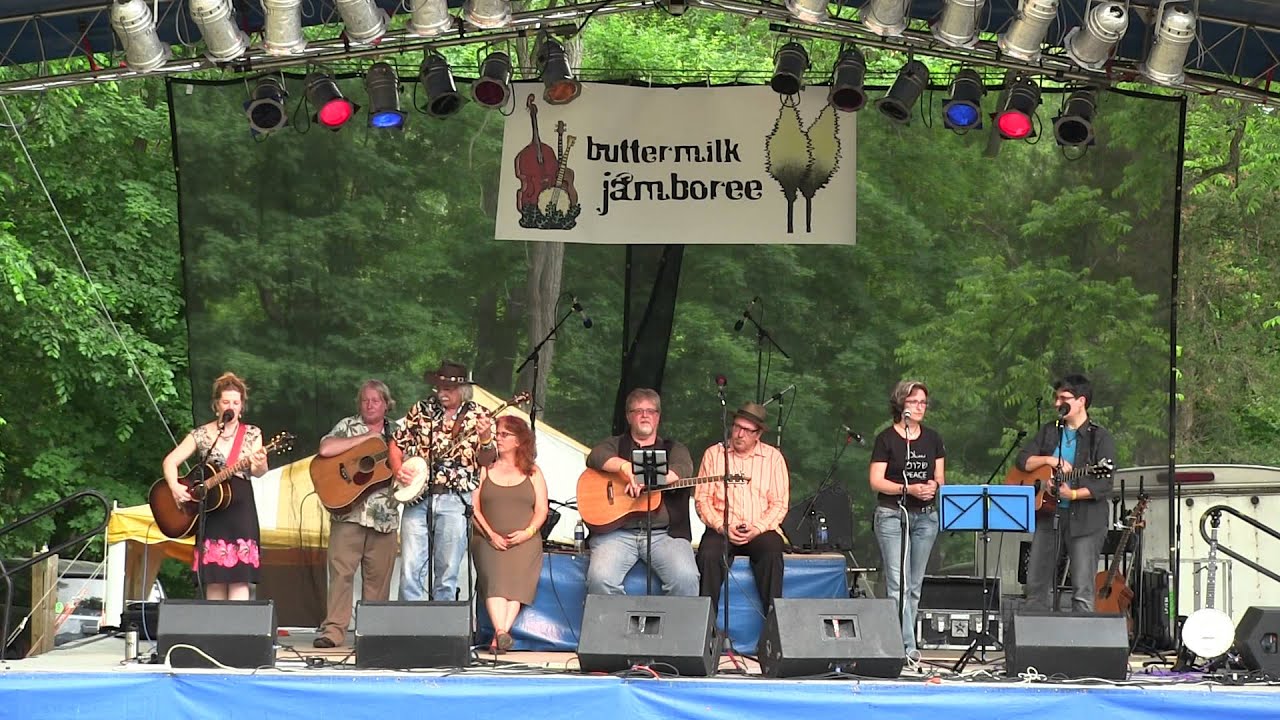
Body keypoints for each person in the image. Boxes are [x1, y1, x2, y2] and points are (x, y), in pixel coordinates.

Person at [391, 361, 495, 602]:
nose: (441, 393)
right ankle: (409, 620)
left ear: (463, 390)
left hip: (455, 500)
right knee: (410, 566)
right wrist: (398, 469)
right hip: (418, 496)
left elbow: (487, 460)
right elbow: (397, 442)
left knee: (448, 569)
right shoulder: (422, 409)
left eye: (447, 389)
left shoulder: (480, 415)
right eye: (439, 387)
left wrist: (486, 438)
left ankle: (443, 621)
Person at [162, 372, 269, 601]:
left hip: (240, 508)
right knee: (215, 577)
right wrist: (175, 487)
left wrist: (260, 463)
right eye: (226, 402)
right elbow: (170, 461)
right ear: (216, 405)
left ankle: (237, 623)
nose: (231, 406)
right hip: (212, 508)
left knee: (239, 576)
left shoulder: (252, 434)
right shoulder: (201, 434)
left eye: (236, 403)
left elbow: (258, 472)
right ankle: (215, 622)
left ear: (242, 406)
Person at [583, 388, 699, 597]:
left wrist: (648, 479)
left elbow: (682, 469)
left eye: (650, 411)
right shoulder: (615, 444)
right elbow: (595, 456)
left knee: (686, 578)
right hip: (616, 533)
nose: (645, 415)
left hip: (664, 535)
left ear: (658, 417)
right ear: (629, 417)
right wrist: (625, 468)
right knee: (600, 579)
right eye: (638, 411)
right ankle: (615, 621)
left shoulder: (674, 448)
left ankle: (671, 621)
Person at [1016, 373, 1116, 612]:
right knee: (1036, 587)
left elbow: (1104, 484)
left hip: (1085, 521)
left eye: (1063, 398)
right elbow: (1023, 461)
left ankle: (1080, 635)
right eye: (1056, 398)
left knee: (1082, 590)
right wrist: (1049, 460)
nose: (1057, 403)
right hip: (1049, 516)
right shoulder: (1050, 431)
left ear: (1081, 401)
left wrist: (1073, 494)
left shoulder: (1100, 437)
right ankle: (1036, 632)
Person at [312, 380, 401, 649]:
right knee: (341, 574)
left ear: (386, 404)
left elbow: (410, 466)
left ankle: (371, 633)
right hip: (348, 514)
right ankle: (334, 631)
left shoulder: (399, 433)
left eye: (376, 400)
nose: (370, 405)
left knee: (378, 580)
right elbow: (326, 449)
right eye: (365, 400)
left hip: (383, 517)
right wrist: (367, 439)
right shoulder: (348, 426)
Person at [869, 380, 946, 656]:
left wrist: (933, 486)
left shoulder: (933, 438)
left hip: (925, 516)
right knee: (897, 583)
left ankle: (904, 641)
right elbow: (876, 481)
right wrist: (908, 489)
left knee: (914, 585)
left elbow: (940, 477)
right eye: (914, 402)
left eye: (923, 402)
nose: (920, 407)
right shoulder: (886, 439)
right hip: (893, 513)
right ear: (901, 404)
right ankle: (905, 648)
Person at [694, 401, 789, 618]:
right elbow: (703, 499)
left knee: (772, 551)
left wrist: (758, 528)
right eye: (737, 427)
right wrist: (721, 526)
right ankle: (707, 626)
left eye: (747, 430)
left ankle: (773, 625)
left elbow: (780, 503)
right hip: (722, 527)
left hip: (759, 528)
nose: (739, 434)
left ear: (758, 434)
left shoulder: (773, 458)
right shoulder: (714, 454)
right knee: (708, 554)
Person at [471, 415, 549, 654]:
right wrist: (490, 534)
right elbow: (474, 508)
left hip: (524, 540)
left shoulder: (533, 472)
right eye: (497, 434)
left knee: (516, 584)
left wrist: (527, 533)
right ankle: (502, 633)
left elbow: (542, 510)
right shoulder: (485, 468)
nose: (498, 438)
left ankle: (499, 635)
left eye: (504, 434)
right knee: (495, 580)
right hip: (488, 538)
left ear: (519, 440)